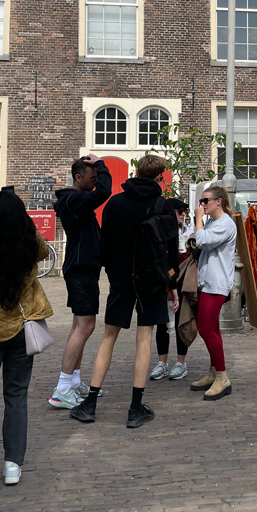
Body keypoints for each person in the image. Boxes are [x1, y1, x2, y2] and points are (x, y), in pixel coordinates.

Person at [70, 155, 179, 429]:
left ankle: (90, 404)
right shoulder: (163, 205)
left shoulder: (115, 202)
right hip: (151, 282)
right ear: (159, 177)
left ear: (136, 172)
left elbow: (104, 244)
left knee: (109, 337)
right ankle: (135, 408)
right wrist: (172, 286)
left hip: (120, 279)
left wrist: (113, 271)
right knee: (144, 339)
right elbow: (170, 250)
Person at [0, 189, 53, 492]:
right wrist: (26, 222)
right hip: (21, 328)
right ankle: (12, 465)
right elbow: (43, 250)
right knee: (16, 397)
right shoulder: (28, 245)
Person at [50, 154, 111, 408]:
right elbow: (104, 192)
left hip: (83, 269)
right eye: (92, 178)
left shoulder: (74, 201)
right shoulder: (74, 199)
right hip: (80, 270)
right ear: (78, 177)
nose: (95, 182)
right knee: (85, 326)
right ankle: (63, 389)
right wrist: (101, 163)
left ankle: (73, 382)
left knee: (80, 325)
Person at [189, 185, 237, 401]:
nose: (202, 205)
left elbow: (202, 241)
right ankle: (214, 371)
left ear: (219, 201)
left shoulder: (225, 224)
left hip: (216, 284)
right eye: (201, 201)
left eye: (205, 200)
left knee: (206, 329)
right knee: (213, 330)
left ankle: (222, 377)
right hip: (208, 282)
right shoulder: (213, 222)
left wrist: (198, 219)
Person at [150, 199, 190, 381]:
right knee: (162, 323)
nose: (183, 214)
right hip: (164, 283)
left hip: (182, 284)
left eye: (184, 211)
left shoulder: (188, 232)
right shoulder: (161, 231)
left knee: (181, 322)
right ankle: (162, 363)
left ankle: (181, 362)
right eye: (179, 211)